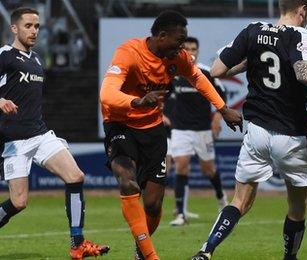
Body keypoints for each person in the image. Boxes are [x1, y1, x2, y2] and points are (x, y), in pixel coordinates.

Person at [190, 0, 307, 259]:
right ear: (302, 9)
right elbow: (302, 71)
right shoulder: (300, 34)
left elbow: (218, 70)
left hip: (255, 131)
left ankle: (205, 251)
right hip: (291, 134)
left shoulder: (252, 30)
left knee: (239, 201)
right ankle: (290, 257)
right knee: (298, 205)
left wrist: (251, 60)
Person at [99, 11, 242, 260]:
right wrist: (136, 101)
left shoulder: (178, 58)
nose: (183, 47)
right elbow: (106, 93)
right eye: (179, 40)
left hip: (153, 131)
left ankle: (140, 249)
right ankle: (150, 256)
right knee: (127, 180)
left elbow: (198, 78)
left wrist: (222, 108)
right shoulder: (129, 52)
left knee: (153, 205)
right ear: (162, 36)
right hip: (120, 125)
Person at [0, 7, 109, 260]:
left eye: (37, 26)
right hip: (13, 140)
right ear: (14, 28)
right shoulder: (3, 55)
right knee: (19, 203)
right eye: (28, 26)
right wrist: (0, 101)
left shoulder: (36, 60)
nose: (34, 31)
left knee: (76, 176)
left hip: (40, 134)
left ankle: (78, 244)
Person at [167, 36, 229, 226]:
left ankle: (221, 200)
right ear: (181, 51)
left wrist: (218, 118)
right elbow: (164, 95)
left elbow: (222, 94)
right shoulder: (173, 72)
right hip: (180, 128)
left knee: (208, 170)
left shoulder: (206, 72)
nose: (191, 52)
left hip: (202, 129)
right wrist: (162, 114)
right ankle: (180, 214)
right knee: (181, 165)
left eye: (194, 49)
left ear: (198, 51)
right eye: (187, 49)